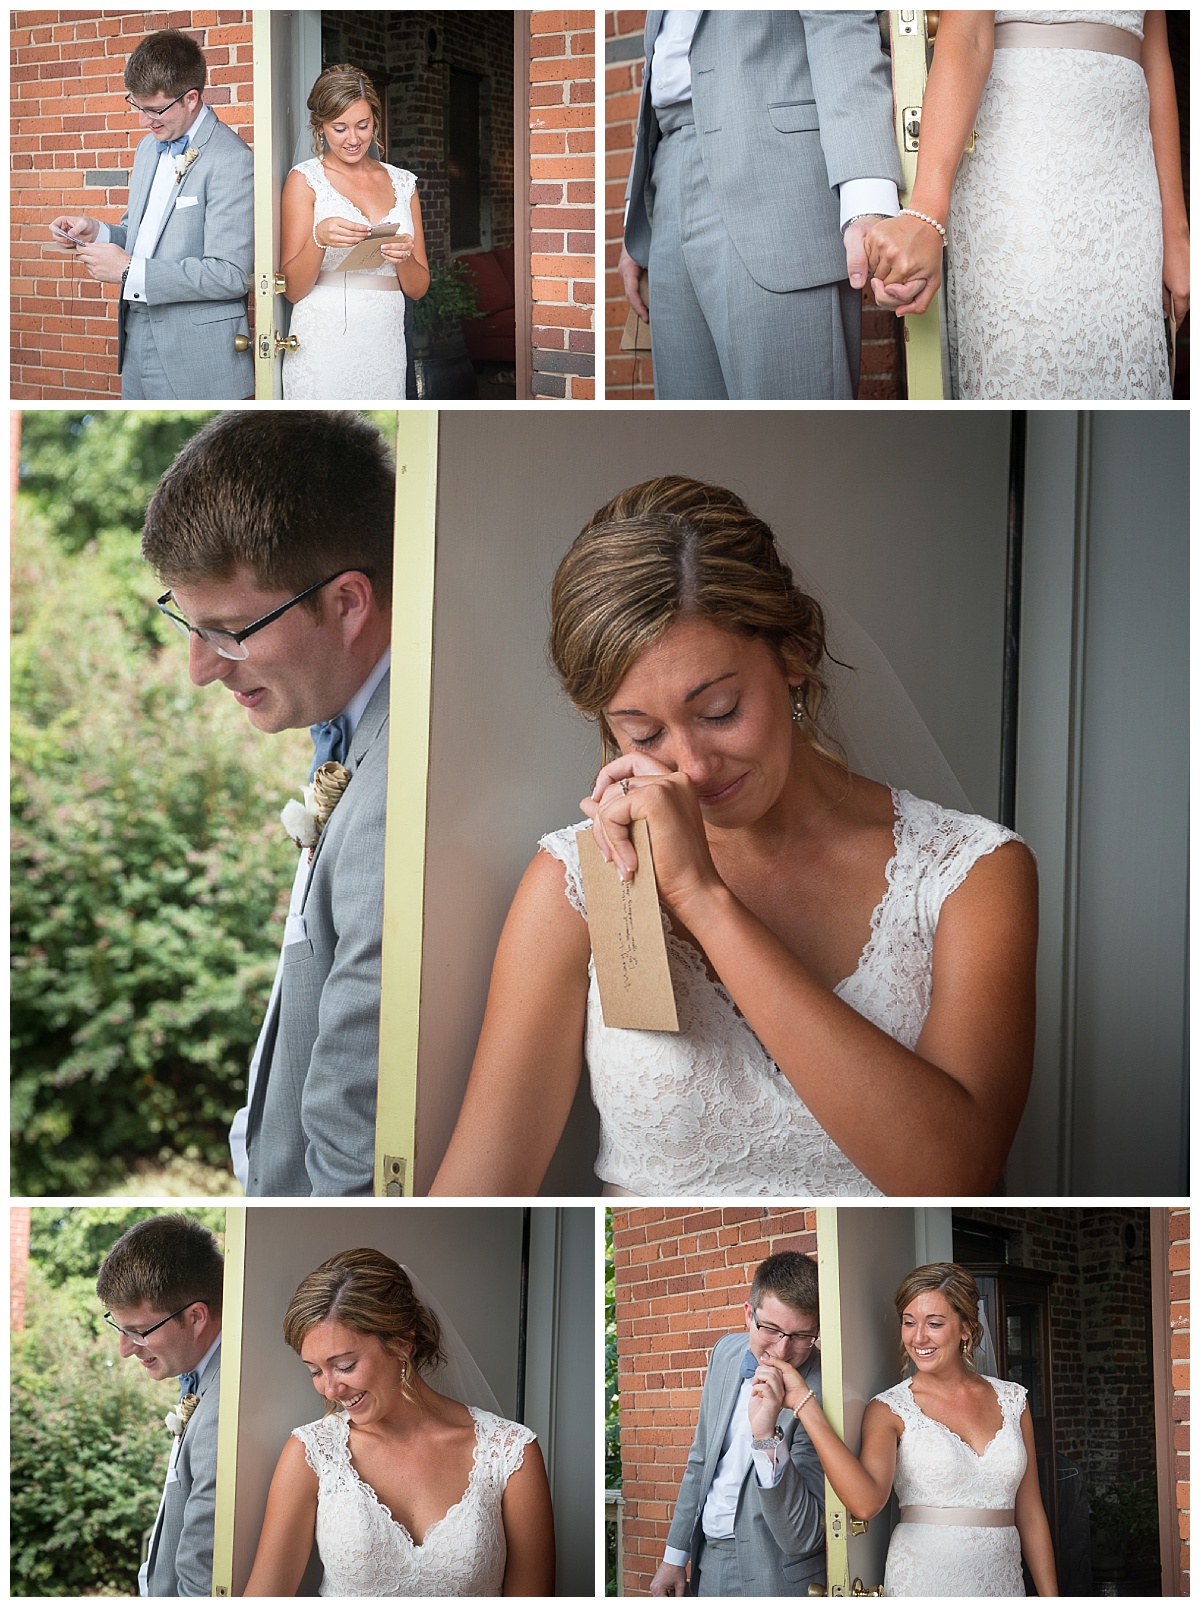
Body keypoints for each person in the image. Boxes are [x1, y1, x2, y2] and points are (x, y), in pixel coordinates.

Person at [431, 476, 1037, 1198]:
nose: (690, 765)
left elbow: (952, 1177)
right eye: (644, 732)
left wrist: (702, 897)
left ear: (795, 654)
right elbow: (473, 1194)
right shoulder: (572, 883)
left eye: (718, 709)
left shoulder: (972, 873)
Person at [141, 411, 395, 1197]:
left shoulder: (398, 789)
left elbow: (355, 1124)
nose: (199, 669)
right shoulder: (348, 729)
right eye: (188, 623)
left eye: (228, 630)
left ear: (348, 603)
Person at [865, 11, 1188, 400]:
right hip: (1020, 162)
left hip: (1129, 179)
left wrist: (1177, 232)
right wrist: (927, 212)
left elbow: (1154, 54)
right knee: (1026, 361)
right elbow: (966, 36)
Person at [617, 11, 911, 400]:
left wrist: (866, 203)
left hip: (773, 173)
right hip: (667, 169)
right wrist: (634, 221)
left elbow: (838, 23)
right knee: (688, 428)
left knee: (793, 432)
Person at [243, 1249, 556, 1596]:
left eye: (345, 1365)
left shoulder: (510, 1453)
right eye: (315, 1371)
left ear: (402, 1344)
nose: (331, 1389)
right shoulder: (312, 1454)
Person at [772, 1263, 1058, 1597]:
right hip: (923, 1582)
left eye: (934, 1323)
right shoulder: (889, 1409)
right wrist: (804, 1405)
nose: (918, 1337)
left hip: (1003, 1583)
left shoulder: (1013, 1400)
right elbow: (865, 1505)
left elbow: (1031, 1514)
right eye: (909, 1322)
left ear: (966, 1328)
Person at [48, 29, 253, 400]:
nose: (144, 121)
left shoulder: (231, 159)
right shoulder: (147, 148)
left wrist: (129, 272)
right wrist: (98, 233)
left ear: (191, 99)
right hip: (134, 335)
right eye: (137, 106)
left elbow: (231, 274)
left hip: (196, 355)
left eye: (154, 109)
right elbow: (142, 236)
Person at [647, 1251, 825, 1597]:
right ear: (748, 1314)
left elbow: (802, 1534)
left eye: (802, 1336)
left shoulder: (824, 1385)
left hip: (779, 1573)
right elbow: (701, 1457)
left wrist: (767, 1435)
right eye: (771, 1330)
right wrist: (674, 1556)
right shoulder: (727, 1352)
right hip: (709, 1561)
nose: (783, 1351)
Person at [280, 64, 429, 400]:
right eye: (339, 128)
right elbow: (291, 291)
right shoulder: (304, 180)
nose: (353, 139)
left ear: (375, 120)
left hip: (384, 341)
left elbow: (418, 289)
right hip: (323, 341)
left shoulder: (404, 183)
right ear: (320, 127)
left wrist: (402, 257)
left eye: (363, 125)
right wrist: (319, 239)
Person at [96, 1214, 225, 1597]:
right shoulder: (199, 1375)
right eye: (119, 1329)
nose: (124, 1350)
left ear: (195, 1317)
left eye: (138, 1332)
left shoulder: (222, 1409)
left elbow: (202, 1572)